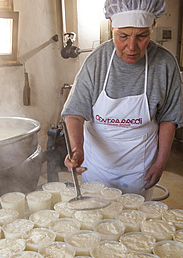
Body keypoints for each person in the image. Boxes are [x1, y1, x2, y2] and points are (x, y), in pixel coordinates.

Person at [62, 0, 183, 200]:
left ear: (151, 29)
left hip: (139, 171)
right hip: (97, 168)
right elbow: (75, 112)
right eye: (123, 36)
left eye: (142, 36)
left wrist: (161, 162)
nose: (132, 47)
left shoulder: (164, 64)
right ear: (112, 27)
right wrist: (77, 149)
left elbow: (169, 118)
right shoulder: (97, 61)